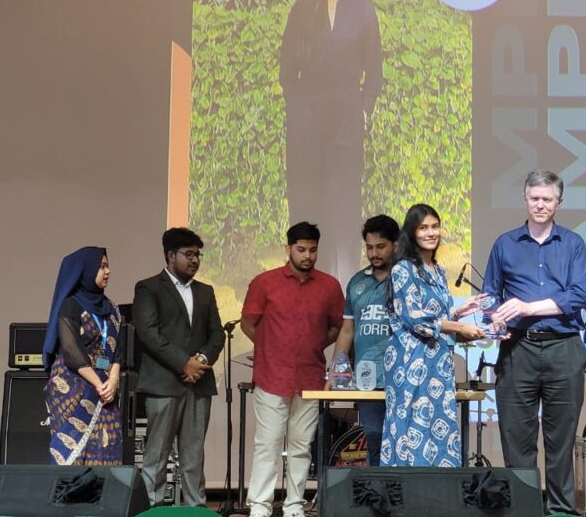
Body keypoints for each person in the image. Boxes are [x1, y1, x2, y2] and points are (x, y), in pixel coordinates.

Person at [482, 170, 586, 516]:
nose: (540, 205)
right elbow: (489, 297)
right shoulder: (505, 244)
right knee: (517, 439)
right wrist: (495, 319)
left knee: (560, 441)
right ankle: (524, 508)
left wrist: (528, 306)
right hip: (518, 350)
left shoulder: (573, 244)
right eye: (534, 198)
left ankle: (560, 510)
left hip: (564, 348)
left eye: (547, 199)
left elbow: (577, 296)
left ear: (559, 202)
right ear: (525, 199)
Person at [279, 0, 383, 280]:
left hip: (346, 119)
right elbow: (286, 71)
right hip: (306, 121)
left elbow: (375, 69)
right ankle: (305, 281)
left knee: (343, 201)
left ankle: (343, 282)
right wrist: (298, 109)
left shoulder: (363, 8)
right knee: (309, 201)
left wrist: (363, 109)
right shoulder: (302, 8)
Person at [241, 222, 344, 517]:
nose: (307, 256)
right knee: (268, 444)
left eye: (313, 250)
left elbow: (338, 327)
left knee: (301, 446)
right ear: (288, 249)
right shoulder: (265, 282)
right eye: (301, 250)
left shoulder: (329, 286)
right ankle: (260, 505)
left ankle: (294, 506)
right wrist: (269, 346)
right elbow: (249, 322)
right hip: (272, 375)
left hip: (310, 376)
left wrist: (315, 345)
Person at [381, 204, 484, 467]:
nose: (431, 233)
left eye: (435, 227)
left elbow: (438, 316)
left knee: (439, 426)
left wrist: (460, 312)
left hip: (437, 364)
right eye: (423, 228)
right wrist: (459, 327)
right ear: (411, 233)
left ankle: (437, 499)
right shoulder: (402, 269)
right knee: (411, 427)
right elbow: (416, 319)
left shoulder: (437, 270)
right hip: (410, 363)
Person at [133, 227, 225, 508]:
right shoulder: (148, 288)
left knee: (194, 456)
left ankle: (196, 509)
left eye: (198, 254)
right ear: (171, 256)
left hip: (198, 385)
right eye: (189, 254)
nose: (195, 260)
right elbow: (148, 333)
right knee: (156, 455)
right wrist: (183, 363)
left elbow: (217, 335)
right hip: (163, 383)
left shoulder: (206, 291)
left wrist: (202, 361)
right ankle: (152, 508)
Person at [326, 214, 401, 466]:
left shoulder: (406, 279)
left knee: (401, 442)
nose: (374, 253)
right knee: (374, 442)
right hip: (367, 378)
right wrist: (335, 371)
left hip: (402, 377)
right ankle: (377, 499)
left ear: (396, 245)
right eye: (369, 247)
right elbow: (347, 330)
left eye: (381, 246)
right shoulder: (357, 282)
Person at [43, 246, 125, 466]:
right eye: (101, 267)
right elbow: (72, 352)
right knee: (73, 458)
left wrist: (113, 381)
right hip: (73, 388)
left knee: (106, 446)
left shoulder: (112, 309)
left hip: (106, 390)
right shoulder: (70, 306)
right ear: (86, 271)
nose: (107, 271)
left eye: (108, 266)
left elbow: (118, 349)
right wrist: (100, 383)